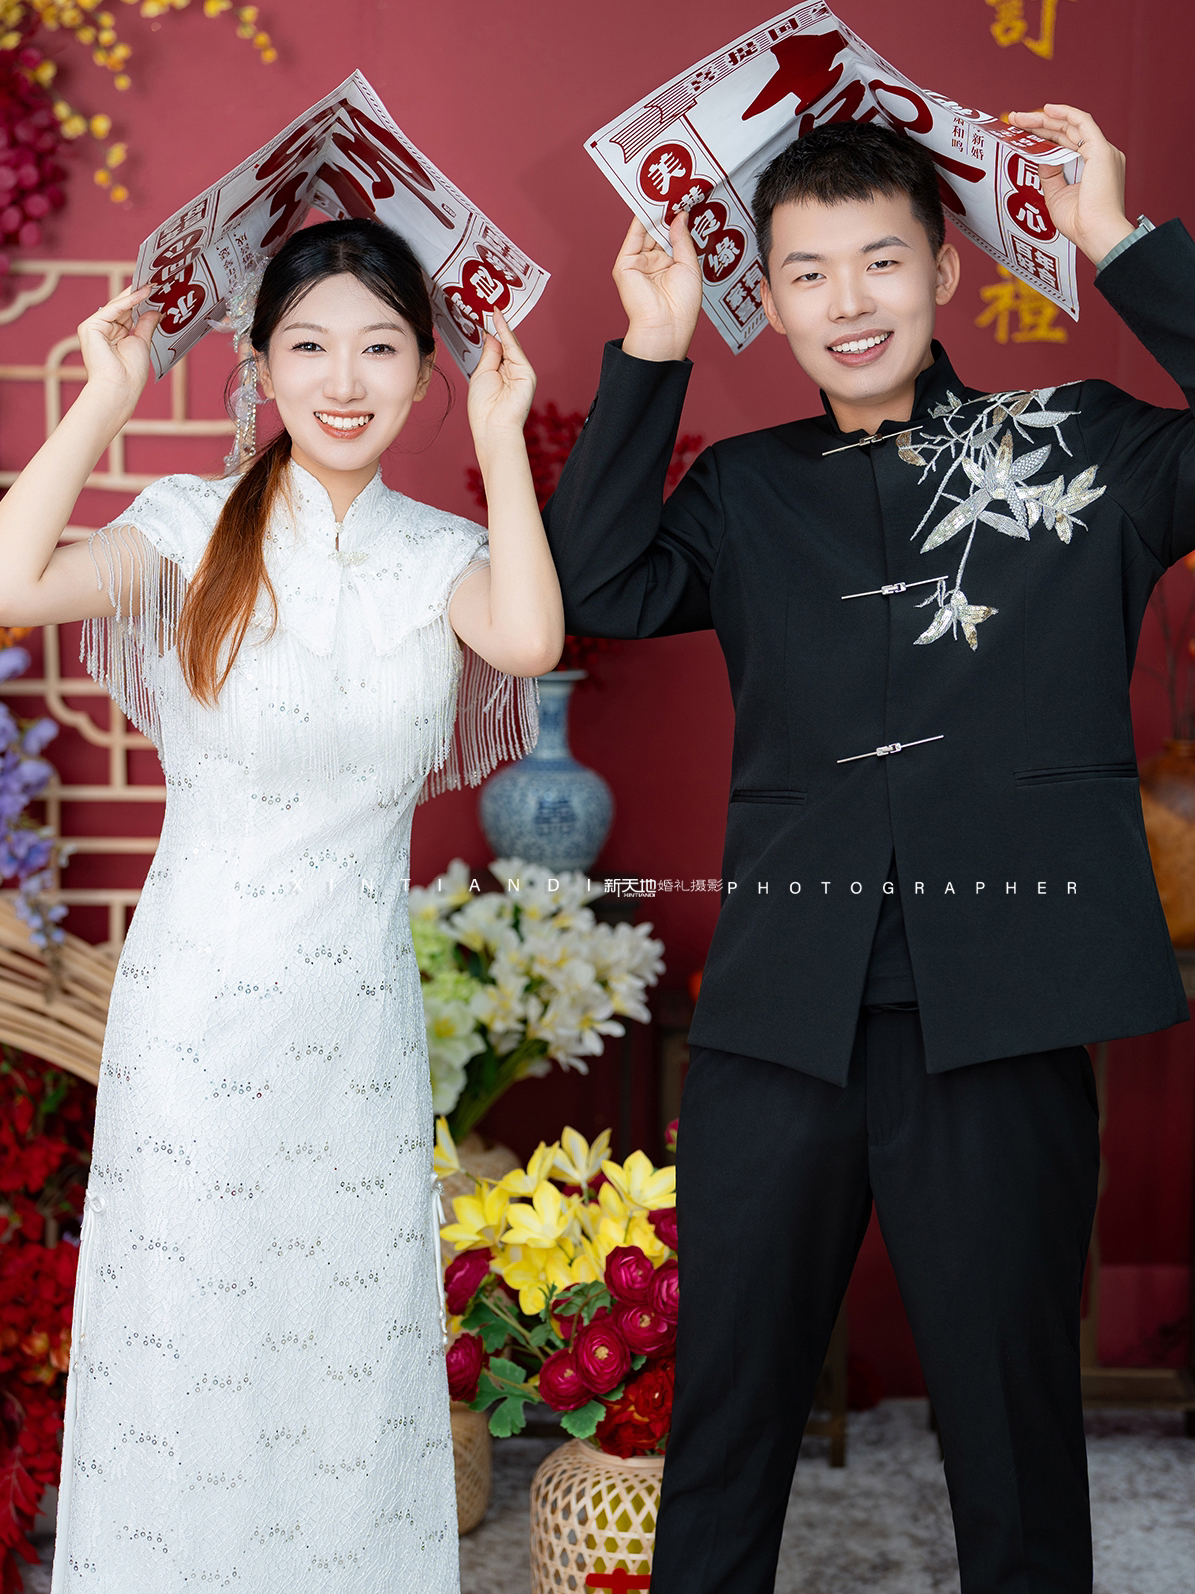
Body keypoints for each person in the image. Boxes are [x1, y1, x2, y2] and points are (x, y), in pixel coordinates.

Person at [543, 105, 1192, 1593]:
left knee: (1013, 1430)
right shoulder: (744, 490)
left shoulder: (1081, 446)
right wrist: (652, 348)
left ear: (945, 273)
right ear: (767, 302)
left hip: (1007, 1009)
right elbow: (592, 586)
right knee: (726, 1412)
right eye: (808, 272)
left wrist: (1119, 241)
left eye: (882, 261)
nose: (850, 301)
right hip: (784, 1012)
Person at [0, 216, 562, 1592]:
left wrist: (502, 440)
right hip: (196, 1019)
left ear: (426, 369)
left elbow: (533, 638)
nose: (343, 380)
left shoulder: (441, 553)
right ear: (258, 367)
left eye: (380, 348)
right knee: (189, 1341)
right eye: (308, 346)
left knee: (343, 1350)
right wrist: (104, 400)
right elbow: (9, 584)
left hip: (353, 1022)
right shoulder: (190, 528)